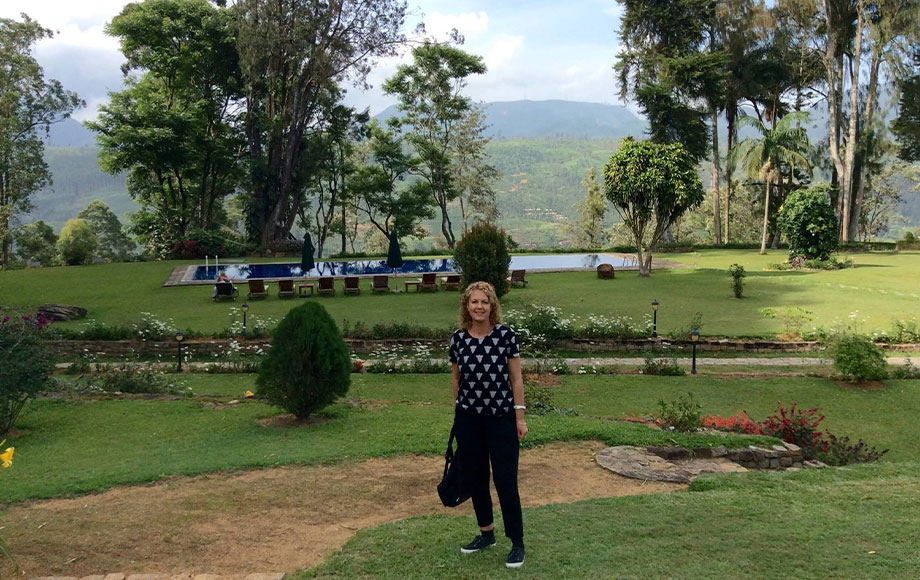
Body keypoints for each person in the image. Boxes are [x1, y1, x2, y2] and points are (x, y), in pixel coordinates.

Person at [449, 281, 528, 568]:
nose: (479, 307)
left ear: (492, 305)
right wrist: (458, 415)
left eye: (484, 302)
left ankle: (517, 542)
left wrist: (519, 416)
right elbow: (457, 379)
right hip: (470, 420)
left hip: (502, 419)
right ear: (466, 307)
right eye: (474, 302)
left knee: (505, 480)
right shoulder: (458, 339)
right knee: (476, 478)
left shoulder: (505, 336)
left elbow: (516, 379)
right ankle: (486, 534)